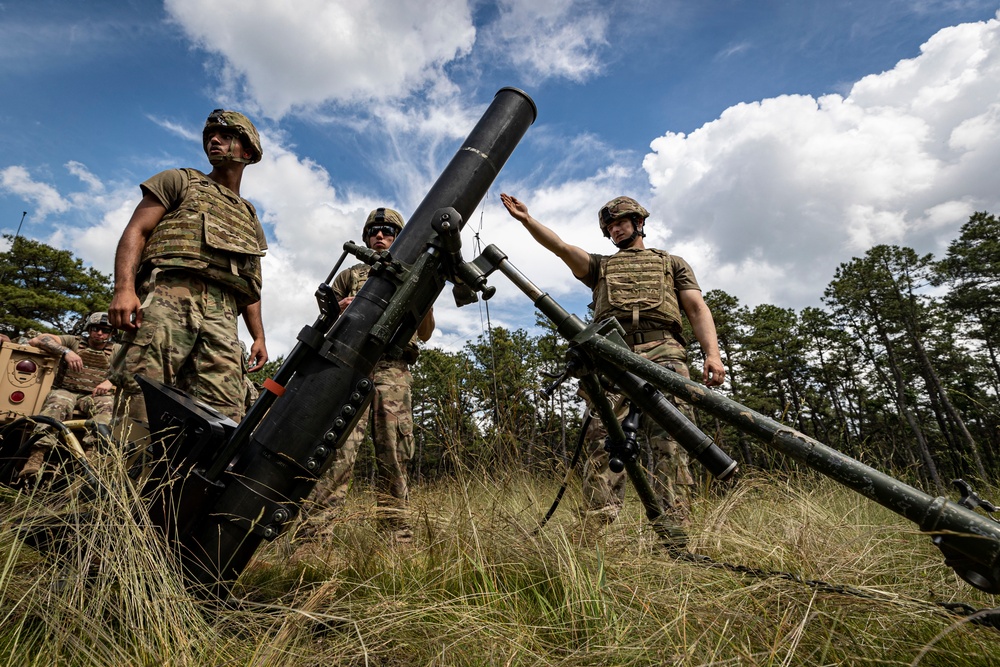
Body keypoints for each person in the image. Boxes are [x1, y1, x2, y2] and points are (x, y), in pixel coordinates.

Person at [501, 193, 726, 530]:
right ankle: (597, 530)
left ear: (639, 223)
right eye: (610, 226)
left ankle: (676, 531)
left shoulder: (672, 263)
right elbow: (562, 248)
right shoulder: (600, 267)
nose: (616, 230)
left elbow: (695, 308)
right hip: (612, 358)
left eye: (621, 222)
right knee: (602, 442)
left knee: (671, 444)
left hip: (664, 350)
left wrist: (712, 353)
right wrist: (528, 220)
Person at [108, 109, 269, 435]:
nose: (214, 139)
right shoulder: (179, 180)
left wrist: (259, 336)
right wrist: (124, 289)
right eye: (210, 135)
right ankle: (123, 481)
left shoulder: (249, 215)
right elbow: (136, 231)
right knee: (143, 388)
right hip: (170, 293)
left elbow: (250, 282)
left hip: (225, 314)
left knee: (223, 412)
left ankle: (189, 485)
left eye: (226, 136)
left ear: (247, 151)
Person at [308, 208, 435, 541]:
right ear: (366, 237)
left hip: (393, 371)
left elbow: (426, 333)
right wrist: (341, 309)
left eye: (389, 231)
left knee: (393, 454)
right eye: (374, 231)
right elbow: (324, 322)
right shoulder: (350, 274)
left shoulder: (413, 273)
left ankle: (397, 542)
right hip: (349, 365)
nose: (380, 236)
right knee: (335, 452)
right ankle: (313, 540)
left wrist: (425, 298)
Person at [19, 312, 119, 477]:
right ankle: (36, 457)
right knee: (57, 404)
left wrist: (111, 382)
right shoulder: (74, 342)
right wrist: (66, 351)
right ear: (89, 329)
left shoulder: (116, 350)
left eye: (105, 330)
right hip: (66, 391)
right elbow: (36, 339)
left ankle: (91, 461)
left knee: (107, 407)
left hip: (94, 396)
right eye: (96, 328)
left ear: (112, 333)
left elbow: (134, 365)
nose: (100, 333)